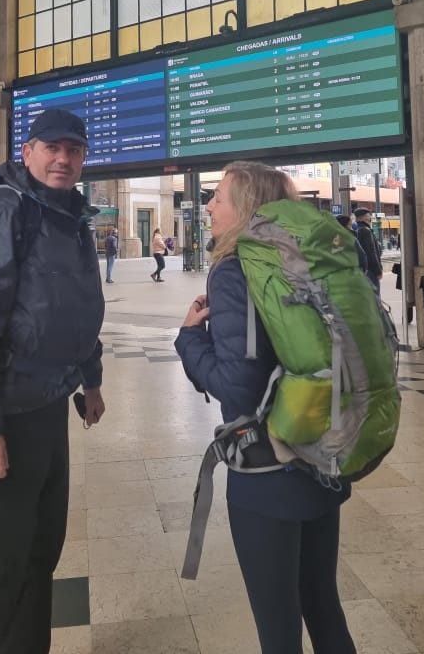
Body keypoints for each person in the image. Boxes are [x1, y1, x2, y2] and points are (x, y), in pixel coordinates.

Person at [0, 107, 106, 654]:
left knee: (39, 550)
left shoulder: (67, 215)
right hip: (4, 414)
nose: (63, 159)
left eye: (74, 150)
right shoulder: (2, 210)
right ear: (27, 151)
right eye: (52, 147)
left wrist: (91, 378)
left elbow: (75, 308)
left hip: (49, 406)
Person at [175, 161, 356, 654]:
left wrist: (189, 340)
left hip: (267, 470)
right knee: (322, 605)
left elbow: (239, 386)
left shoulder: (235, 271)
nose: (209, 205)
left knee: (278, 626)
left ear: (246, 208)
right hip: (326, 455)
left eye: (219, 197)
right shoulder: (310, 261)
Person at [354, 208, 383, 293]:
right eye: (367, 216)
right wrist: (378, 270)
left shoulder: (358, 229)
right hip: (371, 270)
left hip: (364, 269)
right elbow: (371, 252)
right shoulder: (365, 231)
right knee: (374, 296)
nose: (369, 218)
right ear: (359, 218)